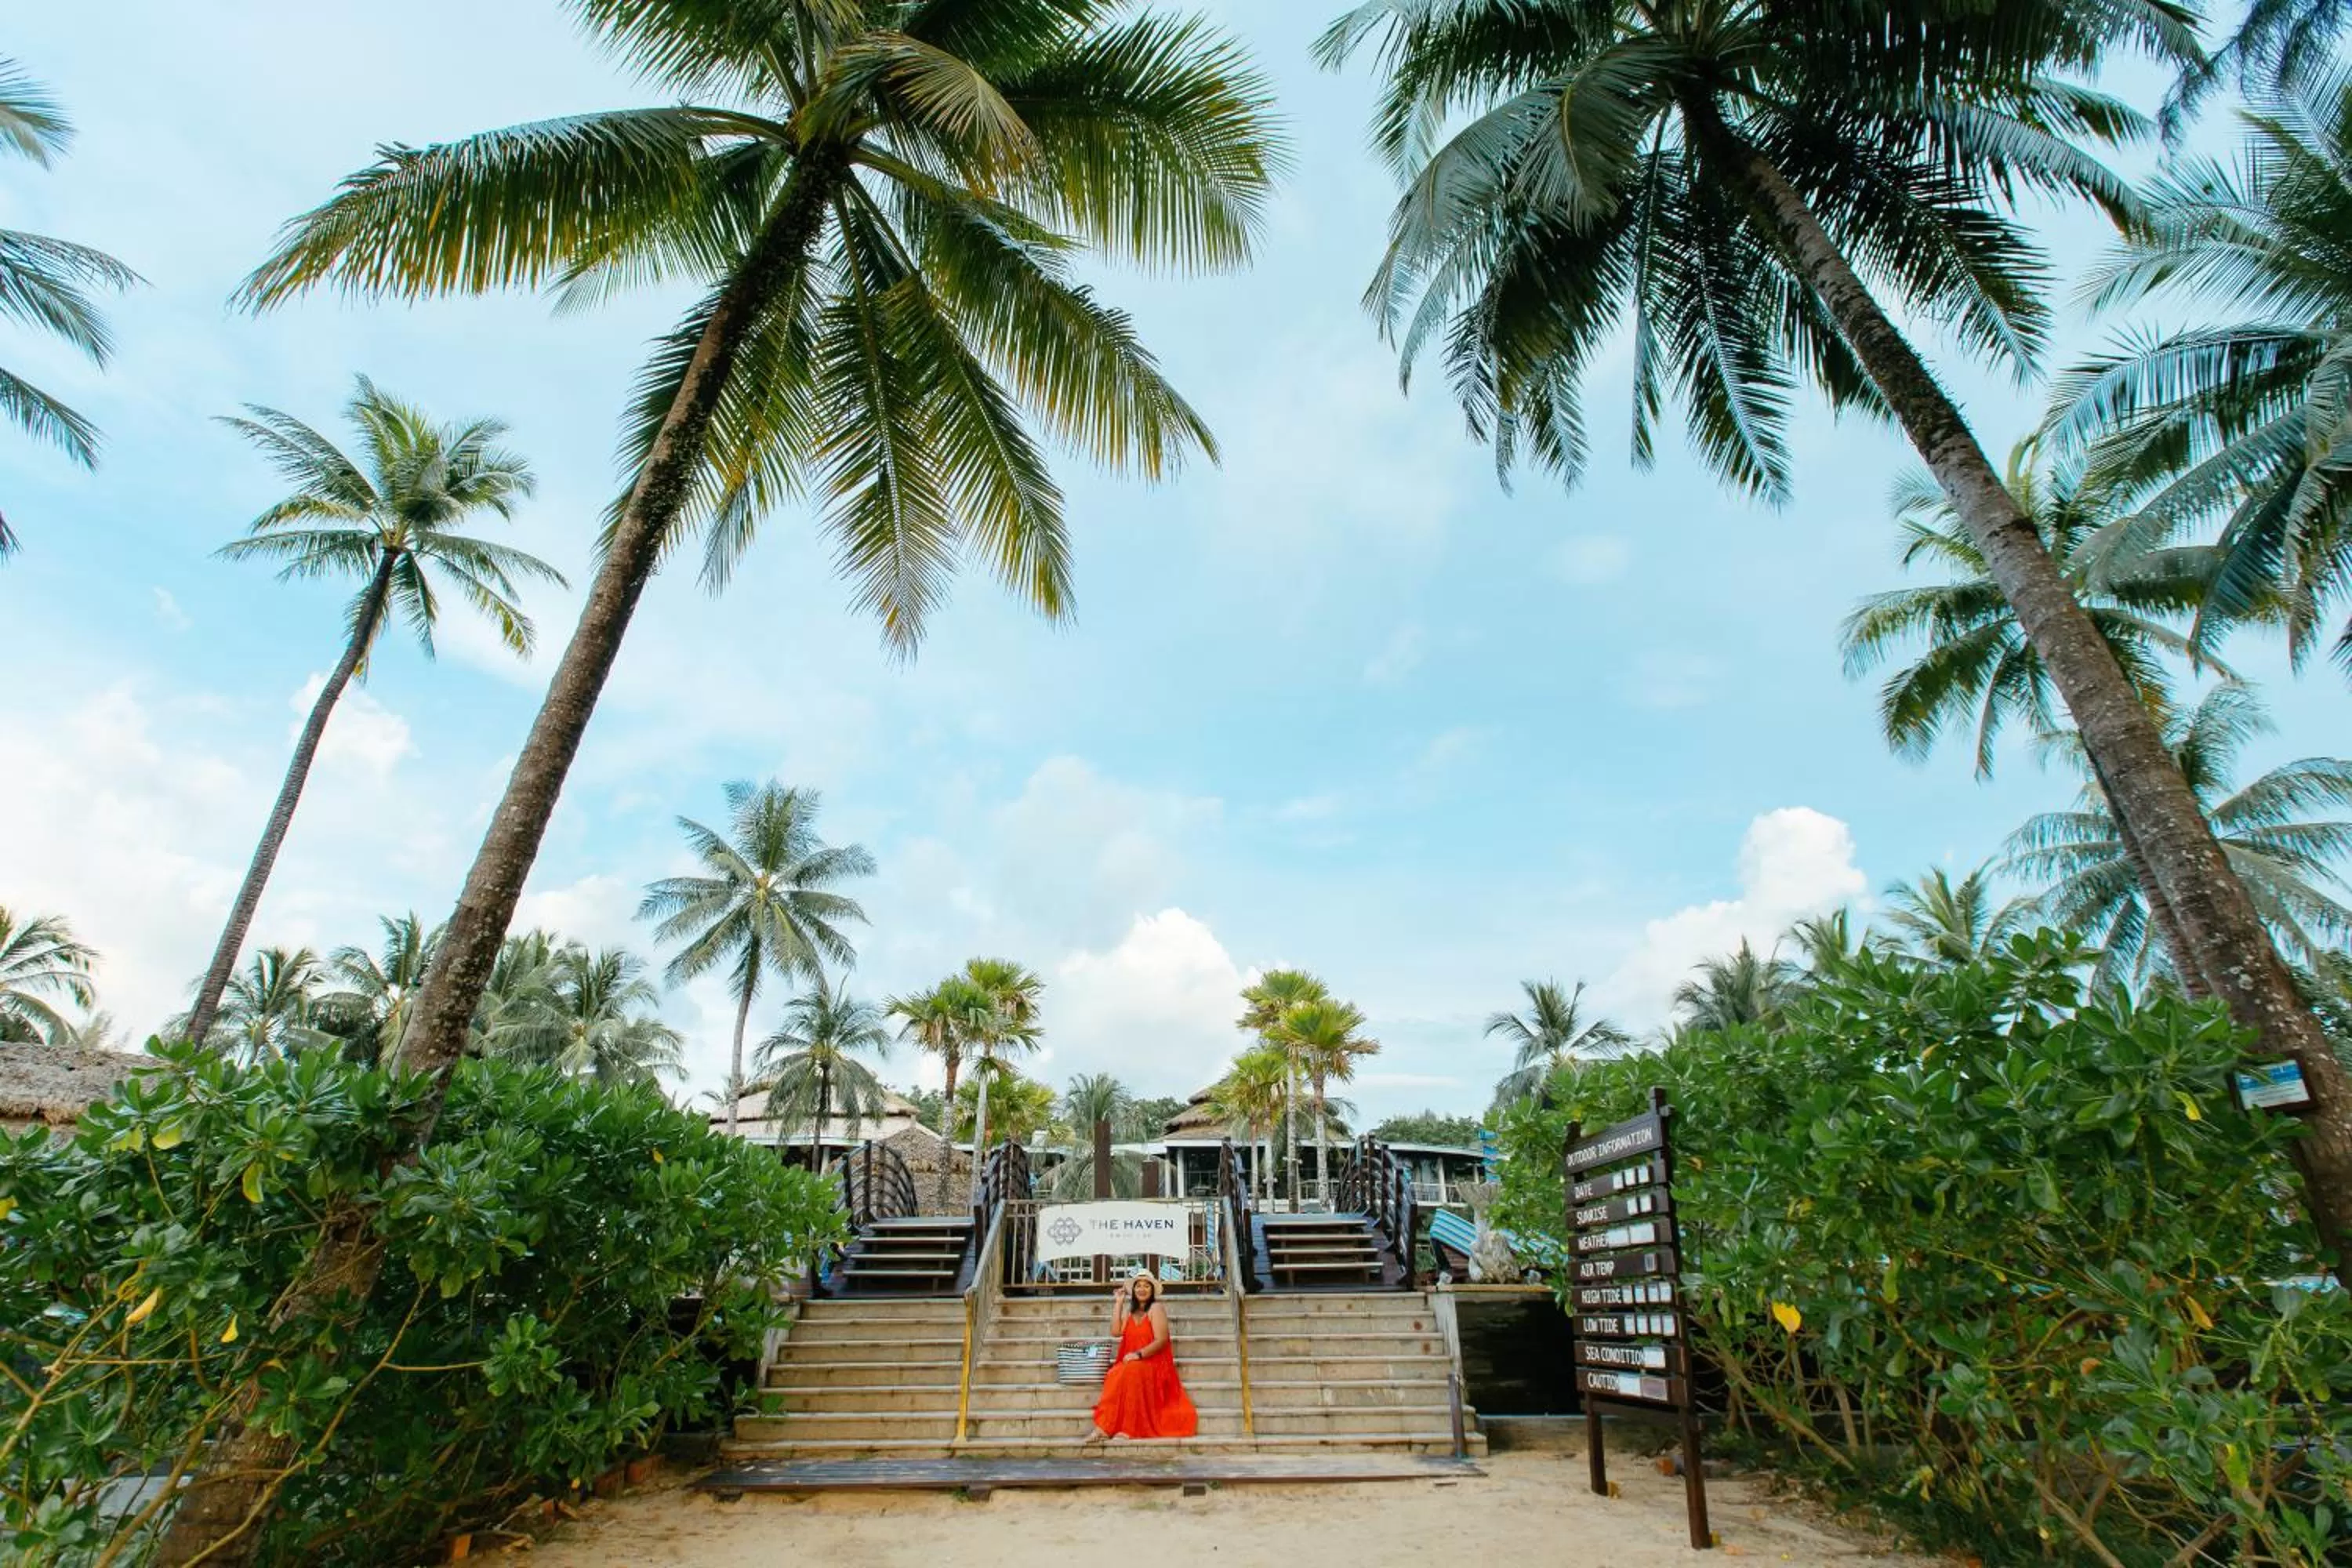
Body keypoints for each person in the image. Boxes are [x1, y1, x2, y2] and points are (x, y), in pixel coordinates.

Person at [1089, 1271, 1198, 1441]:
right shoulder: (1130, 1311)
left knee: (1132, 1371)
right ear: (1133, 1290)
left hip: (1154, 1363)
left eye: (1146, 1286)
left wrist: (1138, 1354)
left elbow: (1161, 1340)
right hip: (1132, 1362)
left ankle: (1129, 1429)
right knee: (1114, 1374)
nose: (1142, 1289)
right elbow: (1116, 1332)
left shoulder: (1156, 1308)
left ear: (1152, 1291)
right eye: (1138, 1286)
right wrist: (1118, 1303)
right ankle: (1104, 1427)